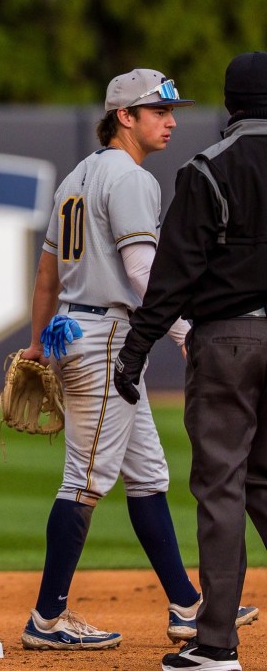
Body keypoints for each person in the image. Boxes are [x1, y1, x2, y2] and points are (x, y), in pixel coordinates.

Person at [17, 68, 258, 652]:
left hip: (84, 329)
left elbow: (47, 274)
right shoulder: (130, 180)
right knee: (84, 479)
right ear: (124, 116)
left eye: (172, 110)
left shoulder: (77, 176)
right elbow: (145, 276)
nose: (170, 120)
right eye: (157, 110)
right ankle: (46, 620)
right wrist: (184, 330)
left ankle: (185, 606)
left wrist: (37, 342)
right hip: (106, 338)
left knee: (148, 474)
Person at [115, 52, 267, 671]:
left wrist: (135, 349)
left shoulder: (210, 168)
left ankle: (215, 647)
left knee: (223, 489)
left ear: (229, 104)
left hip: (228, 341)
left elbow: (172, 278)